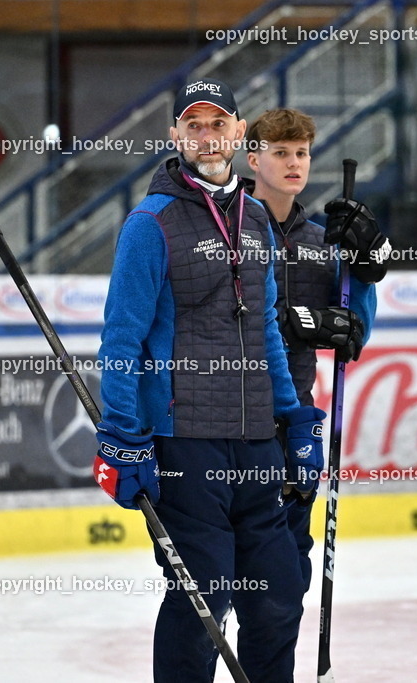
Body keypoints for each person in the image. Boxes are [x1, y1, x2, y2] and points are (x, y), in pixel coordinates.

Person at [93, 77, 325, 682]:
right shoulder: (151, 223)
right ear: (175, 135)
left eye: (217, 122)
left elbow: (269, 330)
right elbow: (121, 339)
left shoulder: (254, 221)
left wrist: (296, 416)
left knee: (278, 592)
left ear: (239, 132)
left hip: (254, 441)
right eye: (192, 124)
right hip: (183, 442)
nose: (205, 134)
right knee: (204, 597)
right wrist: (121, 436)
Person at [243, 107, 384, 605]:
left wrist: (366, 264)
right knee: (230, 572)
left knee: (285, 581)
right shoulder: (227, 230)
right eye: (280, 153)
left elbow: (353, 331)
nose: (293, 163)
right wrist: (299, 320)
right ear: (253, 158)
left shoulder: (322, 242)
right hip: (228, 420)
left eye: (301, 153)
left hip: (294, 424)